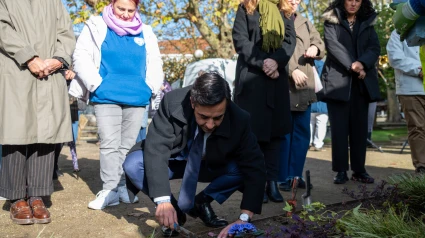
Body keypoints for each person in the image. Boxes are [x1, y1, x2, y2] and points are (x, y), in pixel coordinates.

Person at [123, 73, 266, 238]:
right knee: (133, 164)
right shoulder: (172, 102)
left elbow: (255, 166)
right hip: (175, 162)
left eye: (218, 117)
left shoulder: (239, 118)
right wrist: (162, 201)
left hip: (210, 166)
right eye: (204, 117)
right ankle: (174, 211)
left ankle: (202, 201)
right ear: (192, 102)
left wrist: (244, 218)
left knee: (241, 168)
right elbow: (156, 149)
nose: (210, 125)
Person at [70, 0, 164, 210]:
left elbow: (156, 61)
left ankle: (123, 187)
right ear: (112, 4)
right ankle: (110, 189)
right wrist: (96, 84)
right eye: (121, 8)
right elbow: (81, 55)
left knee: (128, 145)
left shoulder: (145, 31)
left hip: (137, 96)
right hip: (106, 95)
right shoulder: (96, 25)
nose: (125, 14)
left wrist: (150, 87)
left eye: (131, 10)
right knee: (110, 143)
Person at [0, 0, 75, 224]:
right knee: (15, 132)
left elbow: (65, 31)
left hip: (50, 74)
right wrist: (29, 57)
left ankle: (37, 195)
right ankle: (16, 198)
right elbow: (2, 26)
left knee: (46, 134)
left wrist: (59, 59)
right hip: (15, 68)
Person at [232, 0, 296, 203]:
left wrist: (275, 61)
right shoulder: (245, 8)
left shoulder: (285, 10)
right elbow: (240, 40)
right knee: (253, 136)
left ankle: (273, 182)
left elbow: (289, 42)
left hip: (276, 80)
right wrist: (263, 63)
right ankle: (255, 183)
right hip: (252, 80)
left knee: (275, 135)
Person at [321, 0, 381, 184]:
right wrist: (353, 65)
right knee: (339, 130)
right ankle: (340, 171)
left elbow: (374, 48)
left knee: (359, 129)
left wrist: (362, 63)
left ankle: (359, 170)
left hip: (361, 84)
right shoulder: (331, 20)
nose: (353, 3)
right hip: (338, 81)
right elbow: (333, 46)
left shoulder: (367, 22)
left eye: (357, 0)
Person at [278, 0, 325, 192]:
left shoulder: (306, 21)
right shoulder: (273, 19)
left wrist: (315, 47)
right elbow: (274, 49)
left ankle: (295, 175)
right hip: (284, 85)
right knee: (284, 134)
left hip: (304, 86)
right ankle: (282, 177)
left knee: (302, 134)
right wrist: (292, 70)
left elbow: (319, 41)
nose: (295, 1)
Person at [387, 30, 425, 174]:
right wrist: (419, 69)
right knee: (417, 127)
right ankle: (422, 165)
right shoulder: (398, 33)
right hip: (410, 89)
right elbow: (395, 57)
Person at [309, 59, 329, 153]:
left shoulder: (307, 64)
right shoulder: (325, 65)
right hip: (322, 101)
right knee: (321, 123)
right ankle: (318, 144)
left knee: (310, 123)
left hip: (310, 99)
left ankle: (308, 142)